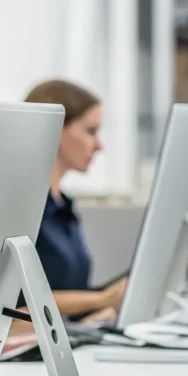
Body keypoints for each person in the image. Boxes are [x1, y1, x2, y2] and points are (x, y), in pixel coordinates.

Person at [23, 79, 127, 321]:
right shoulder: (23, 209)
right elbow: (12, 311)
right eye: (91, 131)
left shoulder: (63, 208)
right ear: (55, 130)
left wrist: (107, 304)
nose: (99, 146)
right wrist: (103, 299)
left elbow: (70, 297)